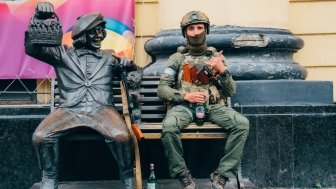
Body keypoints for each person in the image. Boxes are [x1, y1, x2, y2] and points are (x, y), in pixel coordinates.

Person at [25, 2, 140, 189]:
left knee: (121, 137)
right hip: (69, 110)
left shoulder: (110, 57)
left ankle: (127, 174)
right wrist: (38, 18)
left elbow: (135, 77)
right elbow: (33, 49)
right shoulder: (61, 54)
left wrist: (131, 67)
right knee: (41, 136)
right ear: (80, 34)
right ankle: (49, 176)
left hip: (102, 110)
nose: (99, 36)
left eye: (101, 32)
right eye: (93, 32)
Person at [157, 11, 250, 189]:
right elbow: (162, 89)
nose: (196, 32)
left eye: (200, 27)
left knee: (242, 123)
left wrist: (222, 70)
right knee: (168, 127)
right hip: (184, 107)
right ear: (185, 33)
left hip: (213, 107)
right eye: (191, 28)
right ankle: (182, 173)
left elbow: (230, 91)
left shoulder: (216, 58)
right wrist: (185, 96)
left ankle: (222, 174)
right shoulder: (177, 59)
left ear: (206, 30)